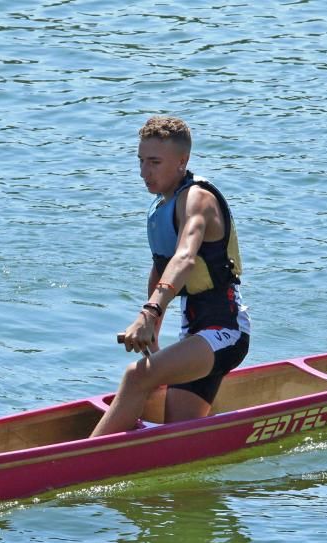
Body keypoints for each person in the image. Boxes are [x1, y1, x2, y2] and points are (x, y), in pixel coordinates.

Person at [91, 116, 251, 436]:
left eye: (154, 162)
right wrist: (154, 331)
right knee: (179, 434)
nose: (144, 172)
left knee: (136, 377)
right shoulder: (161, 206)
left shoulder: (197, 199)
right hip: (194, 333)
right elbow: (160, 269)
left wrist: (148, 313)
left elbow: (185, 258)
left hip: (225, 329)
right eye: (140, 161)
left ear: (182, 161)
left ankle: (73, 466)